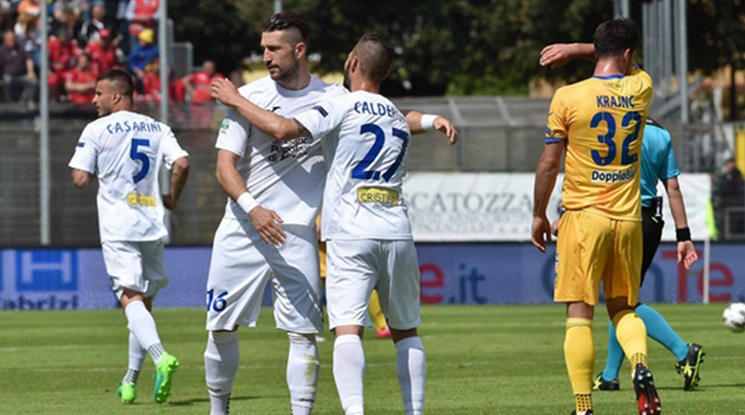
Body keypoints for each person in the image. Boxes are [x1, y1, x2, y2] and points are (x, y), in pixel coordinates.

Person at [203, 13, 450, 415]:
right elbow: (223, 168)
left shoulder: (331, 97)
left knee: (304, 334)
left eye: (274, 48)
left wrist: (429, 120)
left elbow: (290, 127)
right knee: (221, 327)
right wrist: (254, 208)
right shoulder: (251, 94)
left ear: (299, 50)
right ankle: (219, 410)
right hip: (244, 226)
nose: (265, 56)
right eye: (263, 48)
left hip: (297, 231)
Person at [541, 42, 704, 392]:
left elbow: (560, 165)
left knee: (604, 307)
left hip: (598, 214)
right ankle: (614, 373)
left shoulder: (581, 105)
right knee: (623, 302)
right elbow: (673, 187)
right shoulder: (658, 130)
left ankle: (678, 351)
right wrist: (684, 235)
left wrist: (560, 216)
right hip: (643, 221)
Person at [532, 19, 657, 415]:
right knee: (623, 309)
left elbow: (549, 165)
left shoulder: (568, 97)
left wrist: (538, 214)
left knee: (579, 314)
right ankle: (640, 365)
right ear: (628, 54)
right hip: (628, 219)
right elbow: (624, 61)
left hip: (584, 217)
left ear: (599, 50)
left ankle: (584, 407)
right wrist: (577, 48)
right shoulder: (642, 87)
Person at [68, 68, 189, 405]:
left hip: (119, 223)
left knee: (129, 297)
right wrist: (172, 198)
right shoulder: (158, 127)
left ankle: (161, 356)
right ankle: (130, 380)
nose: (94, 100)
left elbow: (80, 179)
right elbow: (182, 164)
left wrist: (97, 168)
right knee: (144, 303)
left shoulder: (96, 128)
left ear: (116, 96)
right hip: (151, 222)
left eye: (98, 94)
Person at [0, 30, 37, 105]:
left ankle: (22, 102)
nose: (11, 40)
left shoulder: (21, 47)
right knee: (7, 80)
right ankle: (9, 102)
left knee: (33, 82)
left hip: (21, 75)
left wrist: (30, 72)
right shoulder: (2, 50)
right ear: (5, 40)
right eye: (9, 39)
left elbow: (29, 59)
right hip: (7, 76)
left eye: (12, 38)